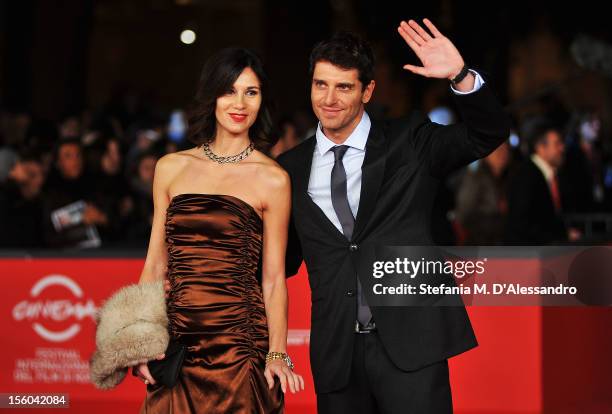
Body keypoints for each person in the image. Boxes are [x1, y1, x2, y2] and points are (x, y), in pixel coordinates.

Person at [276, 20, 510, 413]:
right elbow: (279, 261)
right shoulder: (288, 170)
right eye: (321, 85)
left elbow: (487, 134)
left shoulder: (411, 141)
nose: (329, 98)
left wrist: (461, 76)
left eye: (344, 87)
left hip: (412, 348)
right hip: (338, 357)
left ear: (367, 90)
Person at [132, 47, 304, 414]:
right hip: (176, 347)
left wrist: (277, 353)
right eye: (229, 90)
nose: (239, 103)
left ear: (262, 101)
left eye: (251, 92)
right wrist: (142, 341)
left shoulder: (273, 178)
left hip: (239, 348)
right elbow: (154, 267)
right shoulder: (171, 168)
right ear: (212, 95)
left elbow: (273, 279)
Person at [505, 118, 579, 244]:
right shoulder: (526, 177)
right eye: (557, 144)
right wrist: (560, 236)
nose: (562, 148)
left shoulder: (550, 174)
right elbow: (522, 224)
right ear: (540, 148)